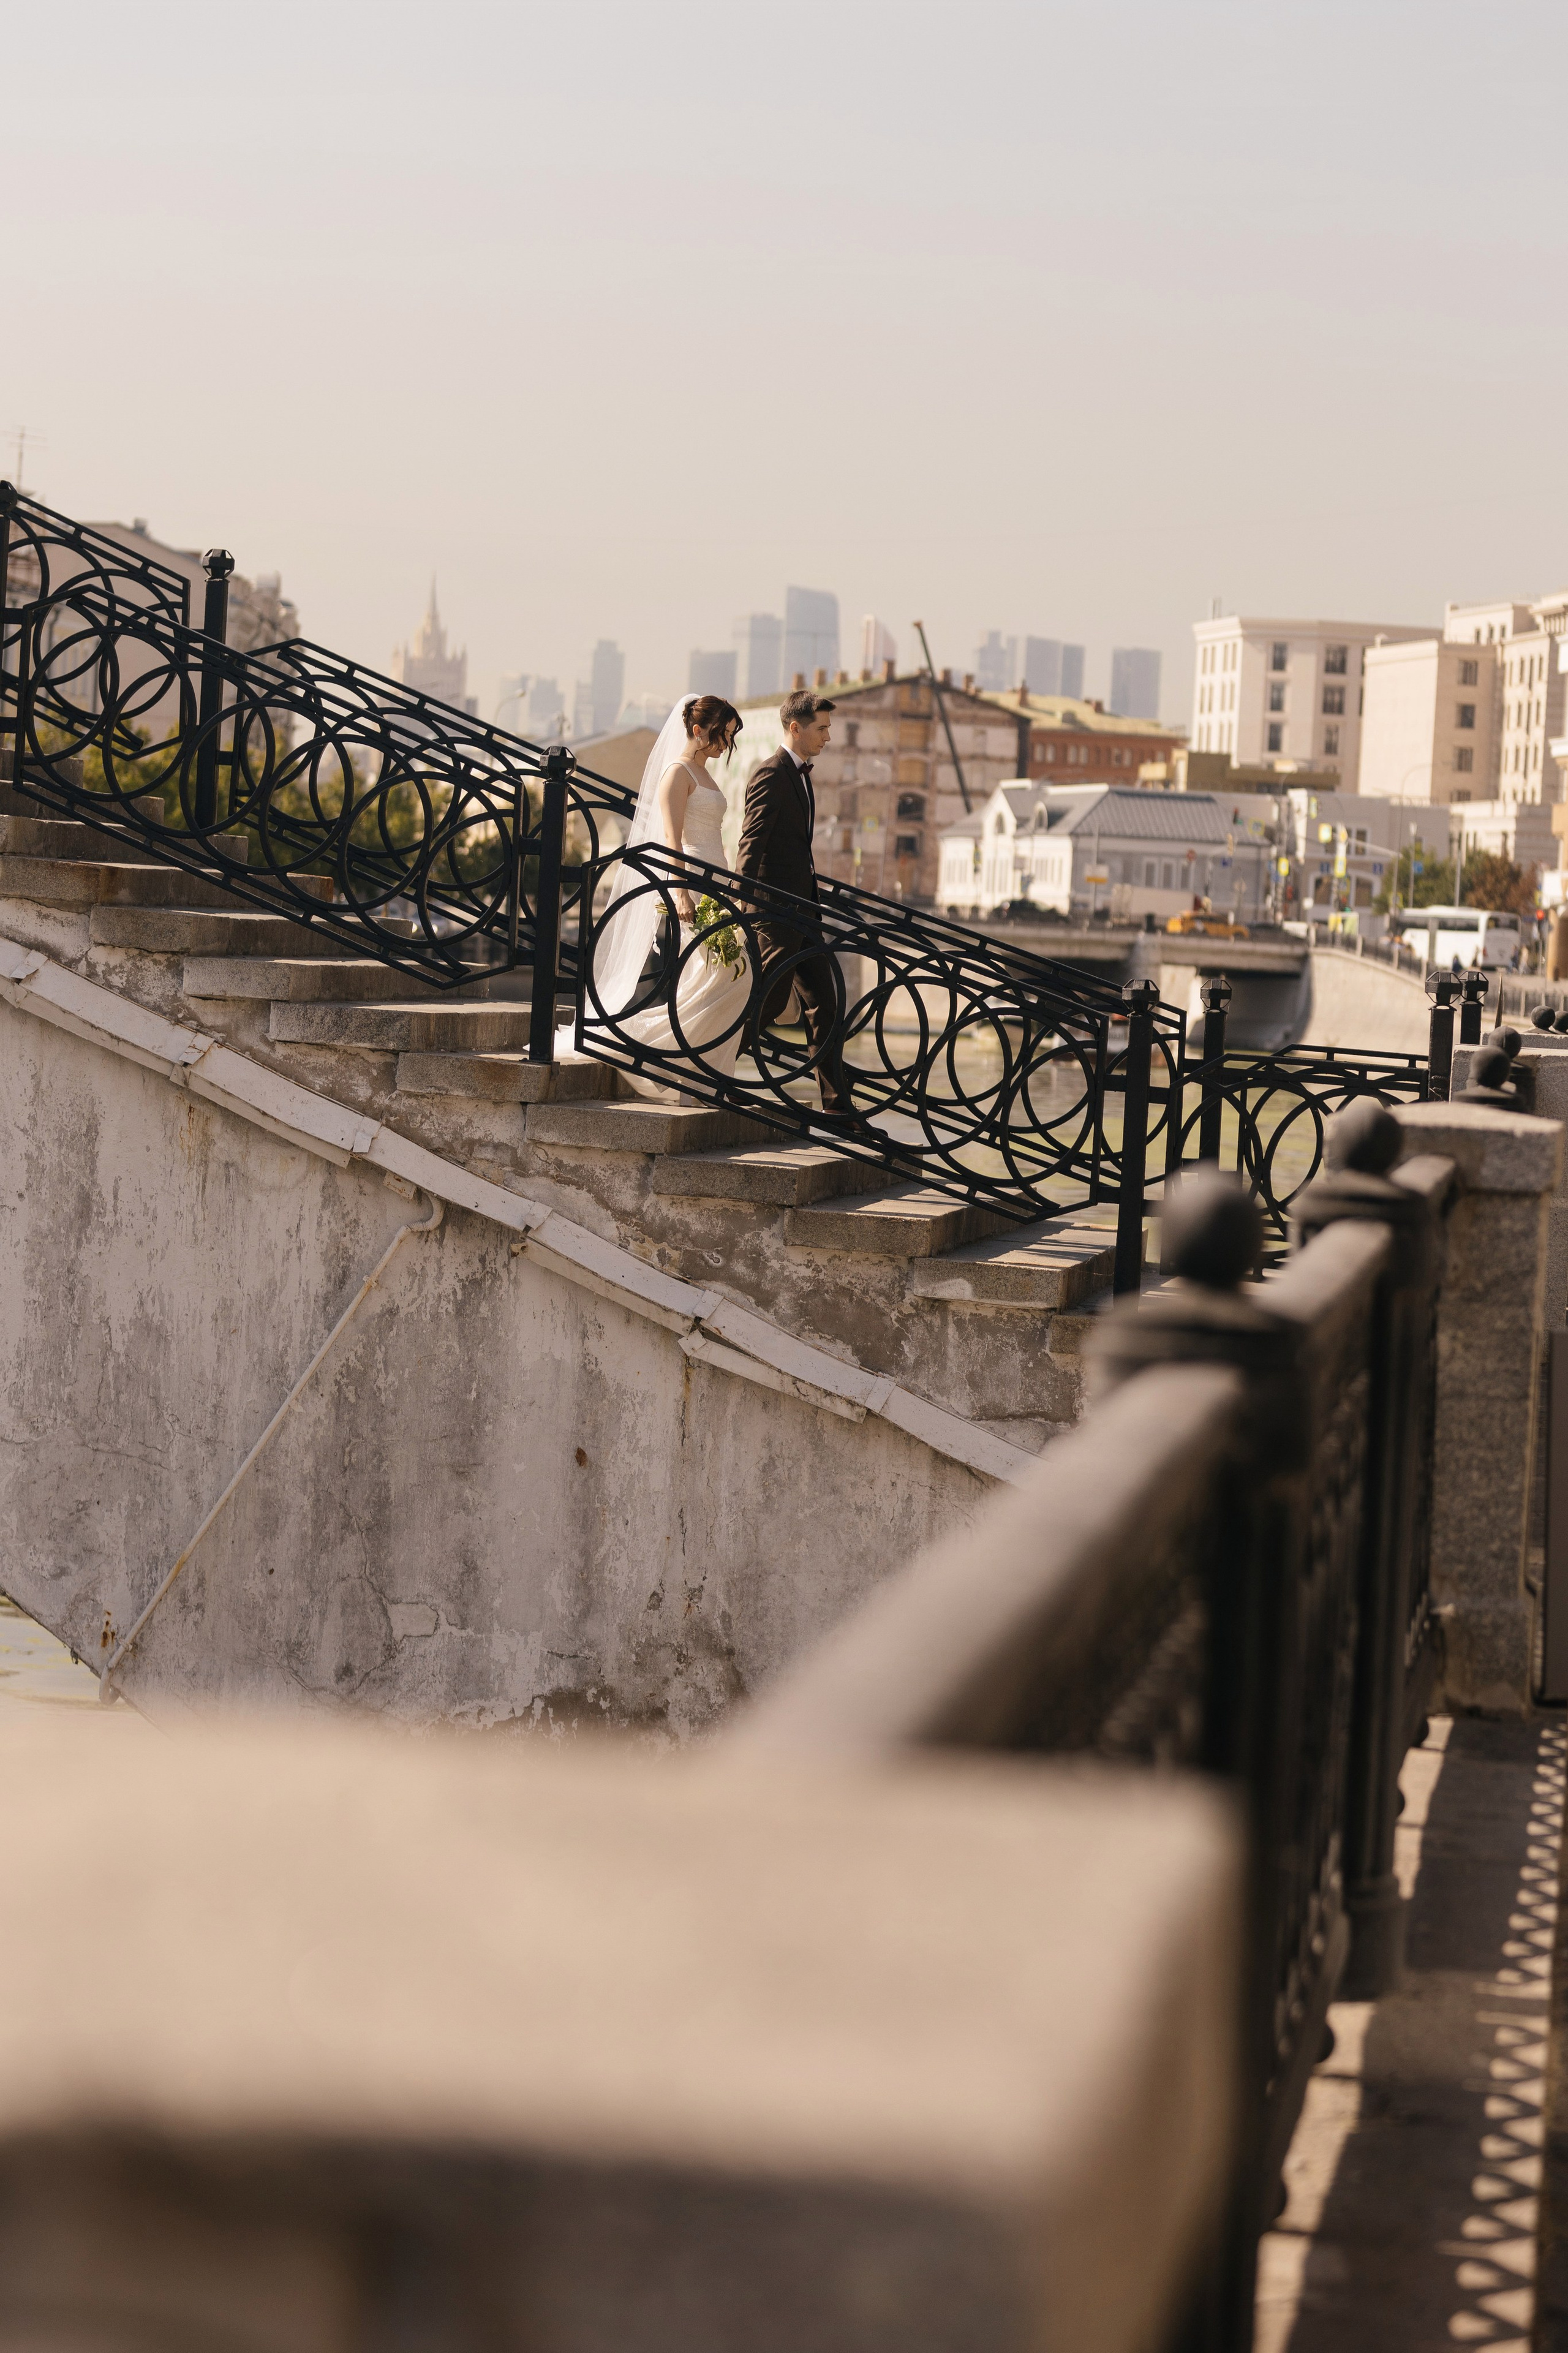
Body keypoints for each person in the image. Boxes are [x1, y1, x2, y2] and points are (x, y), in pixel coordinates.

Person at [567, 693, 749, 1099]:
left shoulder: (703, 772)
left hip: (716, 881)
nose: (726, 745)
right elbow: (672, 841)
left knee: (730, 978)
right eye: (722, 735)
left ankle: (702, 1075)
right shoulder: (677, 773)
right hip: (693, 884)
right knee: (714, 976)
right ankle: (658, 1053)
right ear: (698, 730)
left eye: (730, 737)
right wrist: (681, 893)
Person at [735, 687, 855, 1125]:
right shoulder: (771, 774)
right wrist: (744, 905)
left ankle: (837, 1105)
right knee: (767, 1001)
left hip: (804, 911)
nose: (828, 736)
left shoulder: (800, 775)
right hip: (774, 913)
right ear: (795, 728)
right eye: (822, 728)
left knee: (825, 1004)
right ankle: (710, 1065)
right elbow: (751, 844)